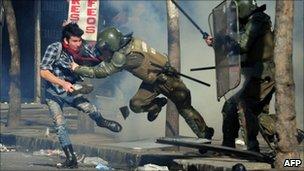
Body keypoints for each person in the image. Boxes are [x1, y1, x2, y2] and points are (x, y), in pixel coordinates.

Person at [71, 27, 214, 141]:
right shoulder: (132, 43)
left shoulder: (124, 56)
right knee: (136, 104)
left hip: (168, 81)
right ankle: (157, 105)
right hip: (152, 80)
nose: (105, 53)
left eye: (106, 50)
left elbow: (102, 72)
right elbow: (103, 57)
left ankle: (204, 135)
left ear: (112, 45)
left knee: (184, 108)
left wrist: (77, 68)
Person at [40, 23, 122, 168]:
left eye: (79, 40)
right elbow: (43, 72)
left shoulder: (81, 49)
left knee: (89, 108)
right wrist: (62, 83)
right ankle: (71, 158)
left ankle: (101, 121)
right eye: (75, 41)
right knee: (60, 125)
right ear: (66, 40)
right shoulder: (54, 48)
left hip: (72, 91)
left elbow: (97, 55)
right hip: (53, 93)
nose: (78, 44)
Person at [205, 0, 275, 152]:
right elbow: (234, 46)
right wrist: (216, 42)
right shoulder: (250, 22)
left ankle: (252, 147)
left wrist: (223, 40)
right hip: (255, 75)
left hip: (264, 75)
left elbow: (242, 45)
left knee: (242, 105)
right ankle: (228, 147)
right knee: (232, 107)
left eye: (235, 11)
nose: (233, 15)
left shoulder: (257, 20)